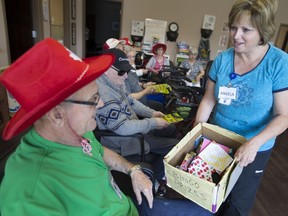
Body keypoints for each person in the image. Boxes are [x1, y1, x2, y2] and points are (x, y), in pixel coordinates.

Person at [0, 38, 213, 216]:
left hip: (130, 205)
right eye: (93, 99)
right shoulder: (28, 192)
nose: (100, 104)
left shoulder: (79, 134)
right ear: (57, 114)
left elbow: (100, 151)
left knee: (205, 209)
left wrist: (133, 170)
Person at [193, 0, 288, 215]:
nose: (236, 35)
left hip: (255, 145)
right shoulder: (223, 60)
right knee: (212, 192)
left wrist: (254, 144)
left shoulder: (279, 63)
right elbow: (209, 100)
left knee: (237, 203)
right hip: (218, 138)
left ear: (263, 31)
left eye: (246, 30)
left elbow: (284, 115)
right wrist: (197, 130)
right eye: (233, 27)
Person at [94, 48, 179, 183]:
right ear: (105, 69)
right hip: (125, 140)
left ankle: (159, 168)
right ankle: (154, 180)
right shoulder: (103, 94)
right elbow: (122, 128)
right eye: (122, 72)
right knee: (176, 148)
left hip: (134, 130)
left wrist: (151, 113)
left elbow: (132, 102)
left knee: (170, 129)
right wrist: (151, 123)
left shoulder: (116, 82)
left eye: (127, 71)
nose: (126, 76)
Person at [123, 44, 164, 112]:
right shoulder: (124, 74)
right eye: (129, 57)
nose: (132, 59)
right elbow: (128, 98)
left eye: (133, 57)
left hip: (142, 97)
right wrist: (145, 91)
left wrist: (144, 85)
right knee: (160, 105)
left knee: (160, 104)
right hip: (137, 103)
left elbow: (134, 82)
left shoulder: (130, 71)